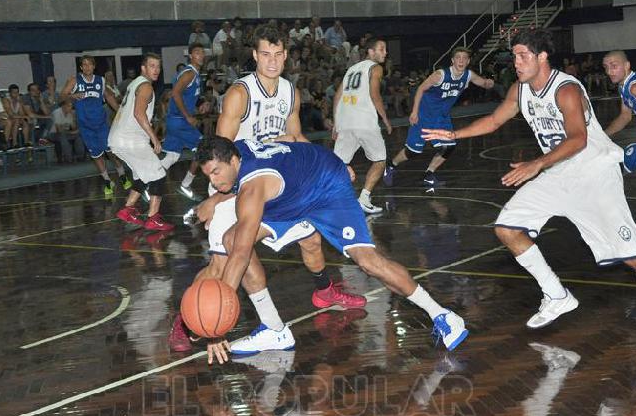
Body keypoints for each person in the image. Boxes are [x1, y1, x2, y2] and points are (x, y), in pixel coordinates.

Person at [421, 29, 636, 338]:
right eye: (515, 57)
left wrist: (537, 163)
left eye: (523, 56)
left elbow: (579, 138)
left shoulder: (566, 90)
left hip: (594, 174)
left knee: (631, 254)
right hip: (559, 172)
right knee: (507, 227)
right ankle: (557, 295)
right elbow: (495, 120)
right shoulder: (519, 90)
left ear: (542, 57)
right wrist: (455, 135)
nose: (517, 63)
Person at [178, 25, 366, 356]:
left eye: (278, 55)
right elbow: (221, 153)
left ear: (286, 56)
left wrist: (334, 163)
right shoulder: (240, 94)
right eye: (265, 54)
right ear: (254, 55)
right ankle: (191, 321)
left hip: (275, 183)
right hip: (234, 186)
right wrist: (216, 197)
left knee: (311, 239)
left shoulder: (290, 93)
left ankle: (324, 291)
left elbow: (295, 140)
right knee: (224, 263)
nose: (272, 61)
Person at [197, 135, 469, 364]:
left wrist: (219, 319)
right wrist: (217, 195)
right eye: (207, 174)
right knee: (232, 238)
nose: (212, 179)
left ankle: (442, 314)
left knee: (368, 261)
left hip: (327, 187)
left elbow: (242, 256)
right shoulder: (238, 148)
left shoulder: (252, 188)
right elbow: (288, 139)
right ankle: (274, 329)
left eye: (216, 172)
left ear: (233, 161)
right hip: (295, 194)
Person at [383, 47, 495, 187]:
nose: (461, 60)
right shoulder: (440, 75)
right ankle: (391, 164)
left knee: (449, 146)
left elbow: (483, 83)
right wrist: (414, 112)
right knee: (413, 152)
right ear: (452, 60)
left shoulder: (468, 75)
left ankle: (428, 174)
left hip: (441, 117)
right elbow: (421, 89)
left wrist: (489, 83)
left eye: (464, 58)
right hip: (424, 115)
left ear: (468, 61)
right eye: (458, 57)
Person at [110, 53, 175, 232]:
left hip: (118, 139)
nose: (156, 70)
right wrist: (154, 138)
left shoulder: (135, 83)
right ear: (143, 68)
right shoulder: (146, 87)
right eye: (152, 66)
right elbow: (139, 114)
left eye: (158, 66)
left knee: (143, 176)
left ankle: (128, 209)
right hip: (130, 140)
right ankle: (153, 217)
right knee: (159, 174)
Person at [332, 37, 392, 214]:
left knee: (338, 164)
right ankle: (364, 198)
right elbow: (375, 95)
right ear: (371, 52)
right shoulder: (376, 68)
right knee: (380, 160)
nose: (385, 52)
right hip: (364, 121)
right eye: (381, 49)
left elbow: (337, 96)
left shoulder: (351, 68)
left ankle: (326, 199)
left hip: (345, 121)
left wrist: (336, 124)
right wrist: (386, 119)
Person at [61, 55, 130, 196]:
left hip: (101, 123)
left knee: (110, 151)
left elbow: (109, 97)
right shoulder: (74, 81)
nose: (87, 67)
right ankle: (107, 181)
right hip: (86, 125)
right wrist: (71, 96)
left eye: (89, 64)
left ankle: (122, 174)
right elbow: (61, 96)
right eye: (84, 65)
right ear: (81, 67)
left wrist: (120, 112)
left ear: (94, 66)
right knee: (96, 155)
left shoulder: (101, 80)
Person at [161, 43, 207, 200]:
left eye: (202, 52)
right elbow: (175, 94)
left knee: (171, 157)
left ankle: (147, 184)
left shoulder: (194, 74)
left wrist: (196, 109)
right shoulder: (189, 74)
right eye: (197, 53)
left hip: (175, 120)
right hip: (180, 121)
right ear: (190, 56)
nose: (201, 55)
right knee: (203, 149)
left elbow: (184, 98)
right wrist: (188, 116)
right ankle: (185, 185)